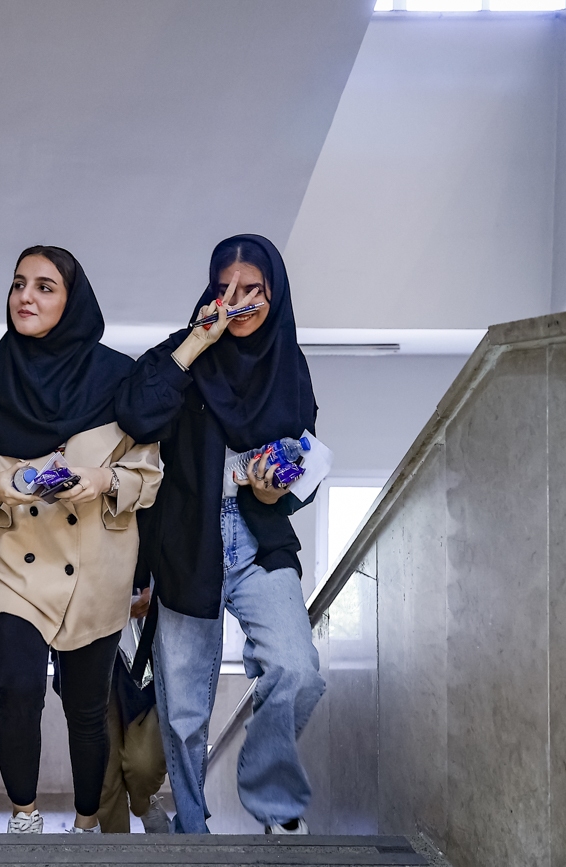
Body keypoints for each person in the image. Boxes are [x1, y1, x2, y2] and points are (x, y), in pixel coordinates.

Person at [115, 234, 325, 835]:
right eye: (224, 289)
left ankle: (273, 799)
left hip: (259, 541)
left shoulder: (289, 364)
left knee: (297, 670)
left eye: (252, 289)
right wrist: (197, 342)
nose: (239, 302)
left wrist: (274, 493)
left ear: (274, 293)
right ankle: (193, 831)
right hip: (187, 542)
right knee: (183, 713)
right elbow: (136, 415)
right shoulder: (181, 350)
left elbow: (304, 459)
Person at [0, 246, 163, 834]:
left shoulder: (118, 377)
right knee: (18, 692)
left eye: (45, 287)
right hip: (17, 566)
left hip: (96, 568)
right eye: (19, 284)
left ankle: (87, 826)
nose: (26, 296)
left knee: (87, 711)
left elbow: (149, 475)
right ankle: (24, 819)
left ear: (73, 302)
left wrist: (102, 480)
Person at [93, 585, 170, 834]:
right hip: (88, 642)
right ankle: (116, 850)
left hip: (143, 644)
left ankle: (144, 803)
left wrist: (157, 589)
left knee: (145, 763)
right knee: (105, 775)